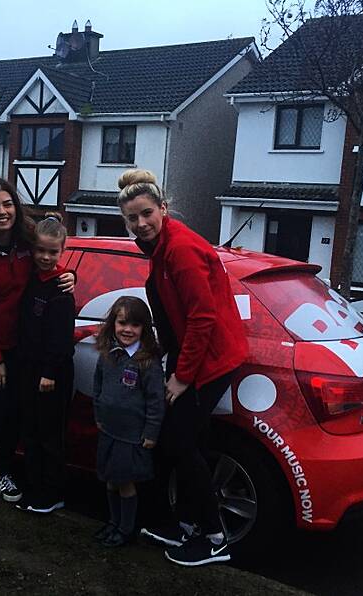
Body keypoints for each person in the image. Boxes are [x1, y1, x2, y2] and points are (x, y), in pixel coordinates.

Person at [117, 169, 249, 566]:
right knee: (189, 443)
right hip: (194, 357)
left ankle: (213, 538)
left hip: (208, 361)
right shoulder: (160, 248)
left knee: (178, 443)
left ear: (163, 208)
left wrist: (183, 376)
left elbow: (202, 318)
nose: (140, 224)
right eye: (132, 219)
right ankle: (187, 524)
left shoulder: (180, 250)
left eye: (146, 214)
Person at [0, 177, 75, 504]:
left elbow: (48, 257)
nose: (1, 211)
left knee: (16, 411)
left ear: (16, 207)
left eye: (7, 204)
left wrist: (69, 274)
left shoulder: (26, 241)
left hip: (22, 345)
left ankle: (5, 471)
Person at [92, 296, 165, 547]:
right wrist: (98, 415)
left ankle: (126, 529)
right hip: (109, 431)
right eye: (122, 322)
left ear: (144, 328)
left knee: (125, 483)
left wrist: (151, 433)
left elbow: (156, 401)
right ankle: (113, 522)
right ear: (113, 323)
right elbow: (98, 385)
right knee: (110, 480)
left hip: (131, 436)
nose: (127, 330)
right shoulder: (109, 354)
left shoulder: (147, 362)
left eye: (135, 325)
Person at [15, 213, 75, 514]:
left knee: (50, 436)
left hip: (51, 374)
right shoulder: (29, 278)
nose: (46, 257)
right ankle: (34, 488)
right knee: (31, 432)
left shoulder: (61, 288)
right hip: (28, 368)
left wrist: (50, 372)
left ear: (62, 252)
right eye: (40, 250)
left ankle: (52, 493)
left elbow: (62, 337)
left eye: (53, 252)